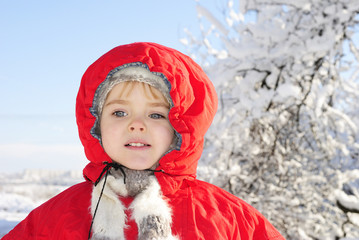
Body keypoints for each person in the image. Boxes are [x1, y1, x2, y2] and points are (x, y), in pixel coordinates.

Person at [2, 42, 285, 239]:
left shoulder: (229, 218)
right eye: (120, 112)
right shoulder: (56, 218)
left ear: (181, 128)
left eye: (156, 115)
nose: (136, 125)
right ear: (95, 124)